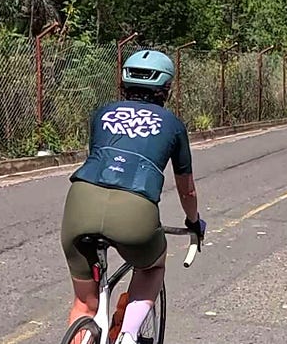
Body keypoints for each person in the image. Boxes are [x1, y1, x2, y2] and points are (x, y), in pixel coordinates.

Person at [59, 49, 205, 344]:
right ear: (166, 88)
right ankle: (128, 335)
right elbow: (186, 188)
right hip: (134, 211)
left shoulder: (102, 113)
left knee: (84, 304)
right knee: (153, 267)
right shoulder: (173, 125)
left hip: (80, 200)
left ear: (123, 83)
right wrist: (193, 222)